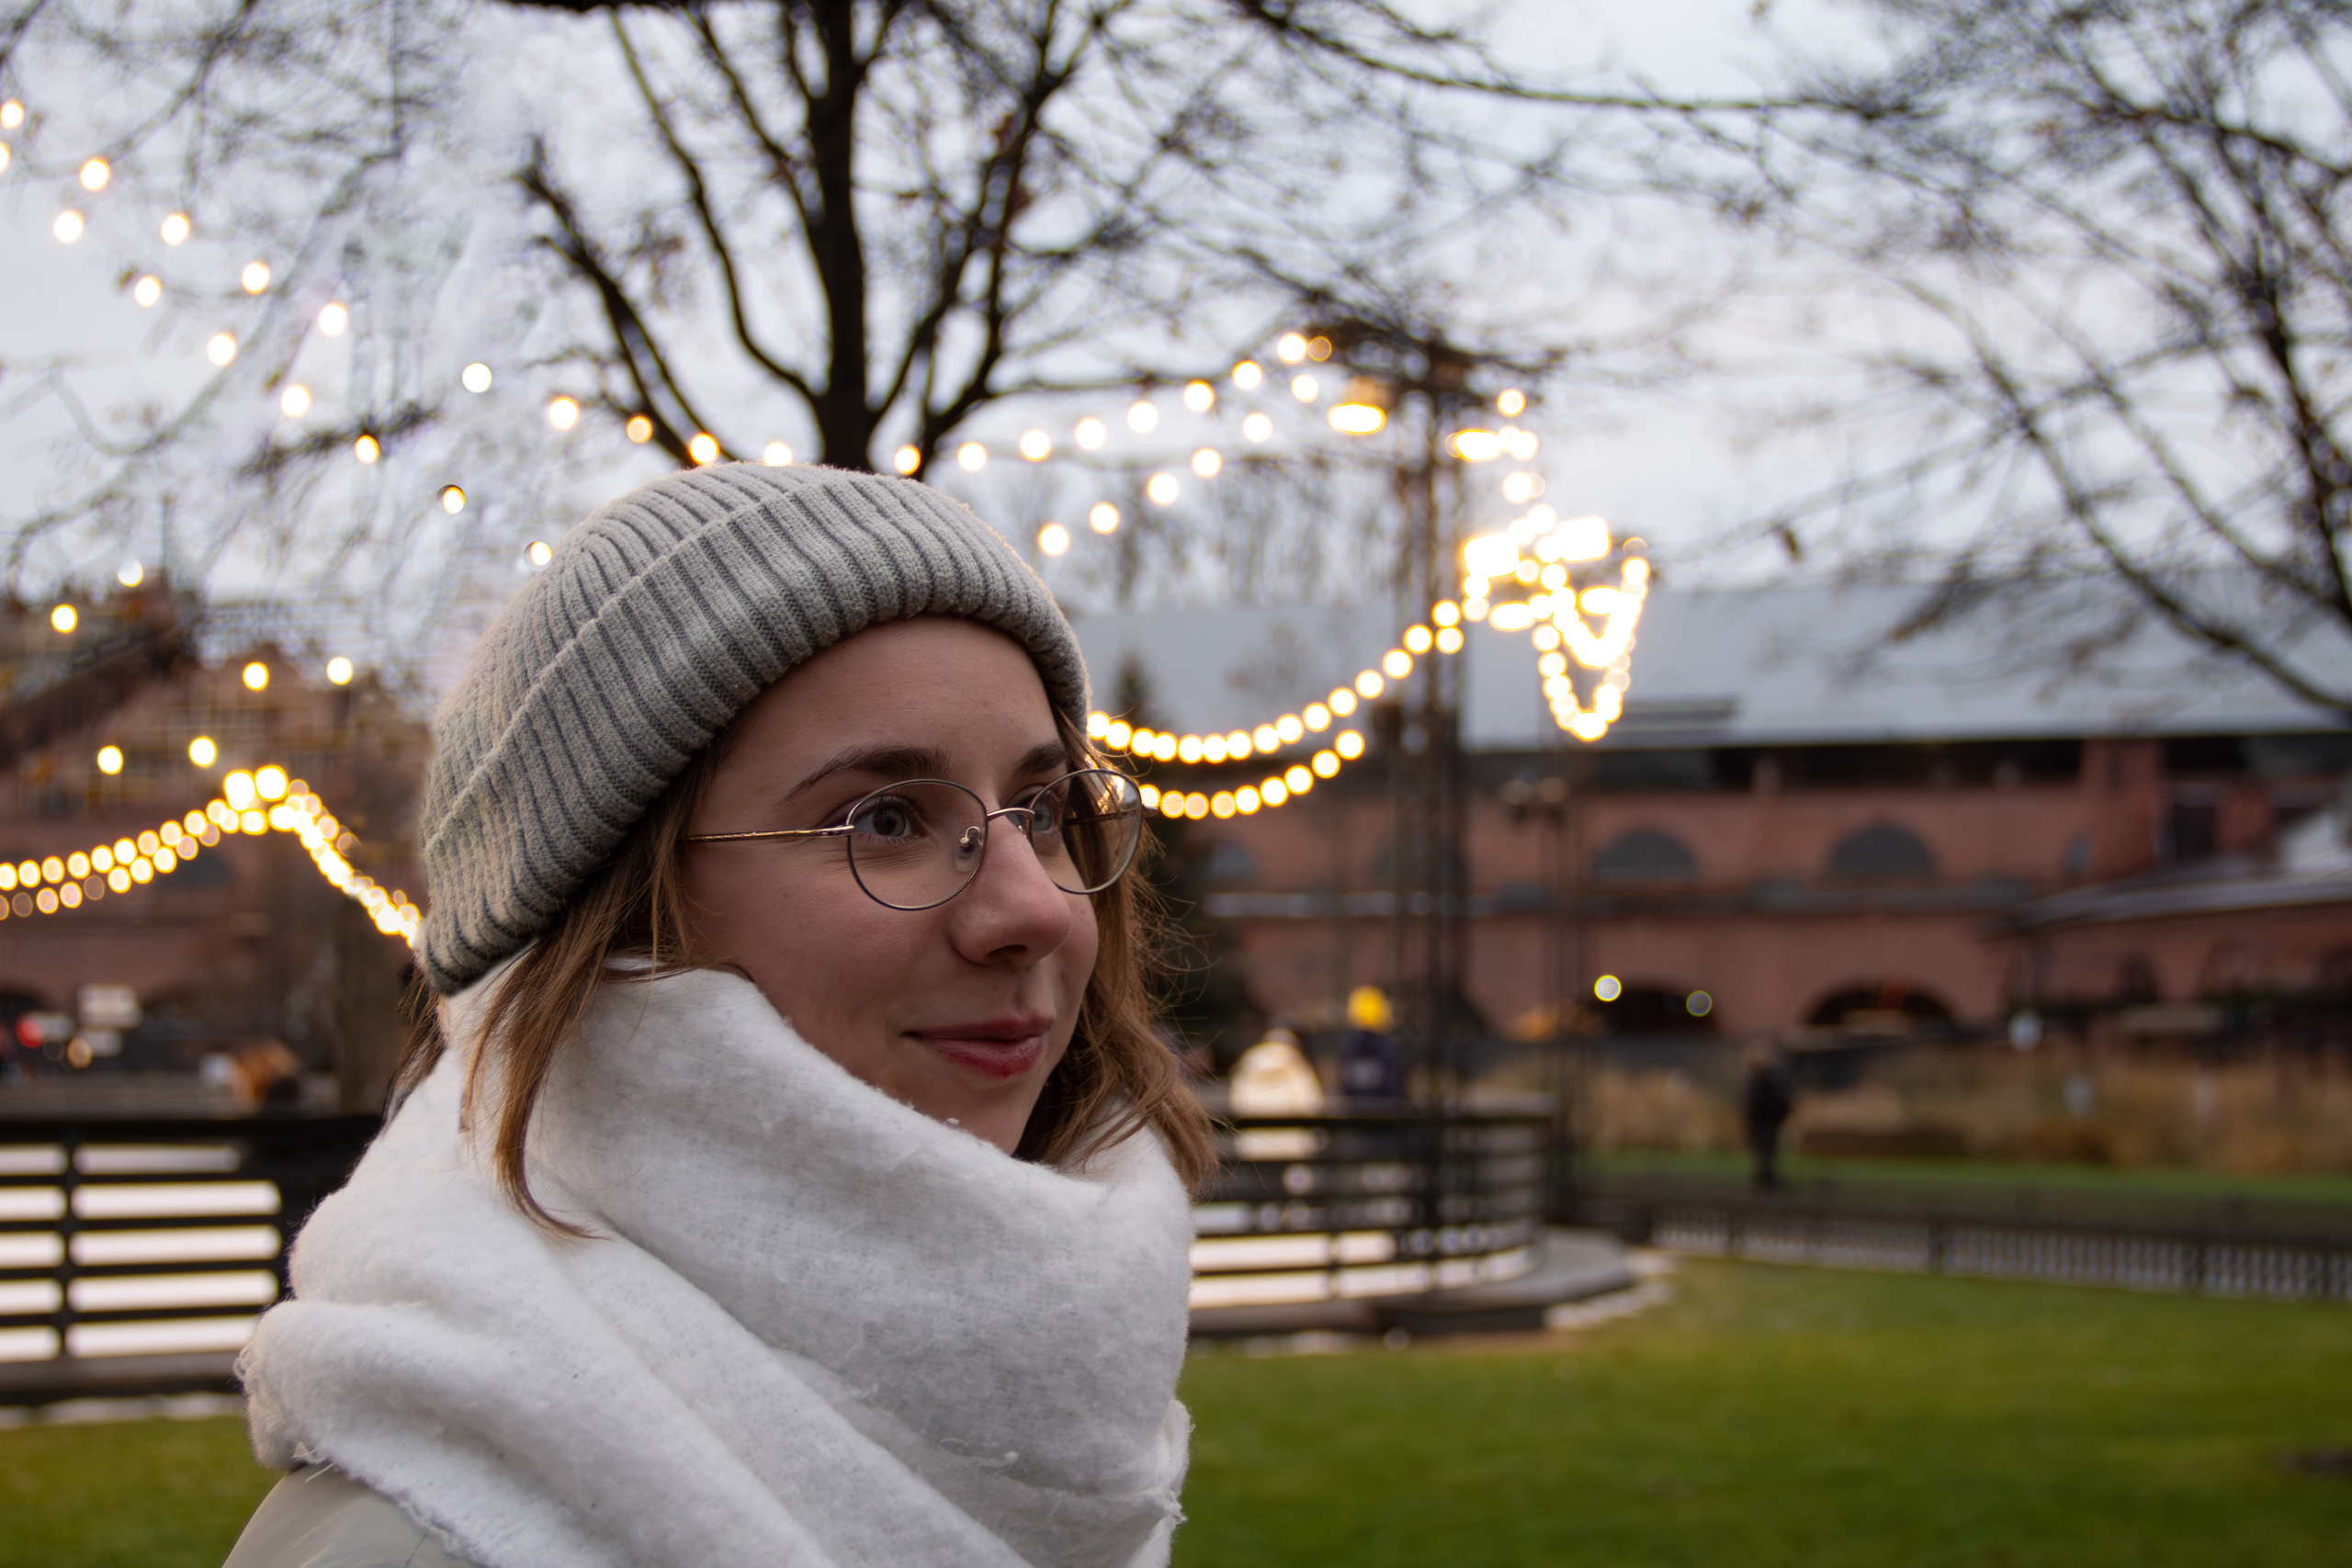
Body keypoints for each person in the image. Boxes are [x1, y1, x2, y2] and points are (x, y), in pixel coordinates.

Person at [225, 465, 1214, 1568]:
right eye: (884, 818)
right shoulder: (417, 1540)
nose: (1035, 905)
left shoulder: (1063, 1409)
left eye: (1040, 810)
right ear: (614, 910)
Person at [1742, 1045, 1795, 1190]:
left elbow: (1758, 1105)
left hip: (1765, 1124)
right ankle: (1766, 1179)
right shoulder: (1765, 1083)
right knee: (1765, 1153)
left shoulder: (1764, 1083)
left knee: (1766, 1153)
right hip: (1765, 1124)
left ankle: (1766, 1179)